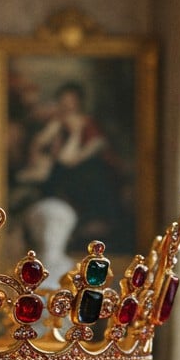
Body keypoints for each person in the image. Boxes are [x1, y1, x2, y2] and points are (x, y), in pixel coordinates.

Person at [15, 82, 127, 248]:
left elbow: (70, 159)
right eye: (63, 100)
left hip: (87, 172)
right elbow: (41, 143)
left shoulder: (86, 124)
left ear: (78, 102)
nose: (66, 104)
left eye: (70, 100)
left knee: (74, 176)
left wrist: (74, 133)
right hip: (67, 170)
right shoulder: (58, 122)